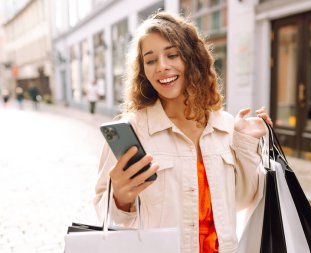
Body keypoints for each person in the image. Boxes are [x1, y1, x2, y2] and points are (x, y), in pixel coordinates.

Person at [94, 12, 273, 253]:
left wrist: (245, 141)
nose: (162, 67)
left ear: (192, 58)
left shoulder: (224, 125)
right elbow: (107, 216)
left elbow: (243, 200)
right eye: (151, 60)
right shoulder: (134, 129)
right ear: (143, 70)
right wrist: (120, 199)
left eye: (172, 55)